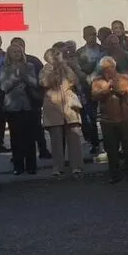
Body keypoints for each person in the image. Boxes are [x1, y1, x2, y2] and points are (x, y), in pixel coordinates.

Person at [90, 56, 128, 183]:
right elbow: (94, 95)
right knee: (111, 149)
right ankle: (115, 174)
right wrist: (106, 88)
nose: (108, 70)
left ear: (115, 66)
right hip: (107, 120)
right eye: (105, 68)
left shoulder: (124, 77)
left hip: (125, 117)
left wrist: (116, 87)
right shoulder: (97, 81)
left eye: (110, 67)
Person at [39, 45, 84, 179]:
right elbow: (45, 83)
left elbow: (74, 80)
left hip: (69, 106)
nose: (56, 58)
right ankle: (58, 166)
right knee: (56, 139)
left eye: (58, 55)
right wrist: (53, 71)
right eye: (53, 56)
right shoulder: (44, 70)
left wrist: (65, 67)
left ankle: (76, 165)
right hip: (53, 106)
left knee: (74, 136)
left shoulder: (66, 67)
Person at [0, 42, 40, 175]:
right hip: (13, 107)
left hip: (28, 105)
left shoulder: (29, 66)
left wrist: (25, 76)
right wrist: (15, 78)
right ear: (9, 54)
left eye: (19, 51)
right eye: (14, 52)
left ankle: (31, 166)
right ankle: (18, 165)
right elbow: (3, 87)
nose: (17, 54)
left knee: (29, 136)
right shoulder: (5, 68)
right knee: (16, 137)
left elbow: (35, 83)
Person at [76, 25, 104, 155]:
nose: (92, 37)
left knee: (105, 115)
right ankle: (94, 143)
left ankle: (107, 142)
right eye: (89, 35)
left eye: (94, 34)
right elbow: (78, 69)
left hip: (102, 85)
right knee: (90, 117)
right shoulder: (80, 52)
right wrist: (86, 78)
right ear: (84, 37)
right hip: (87, 87)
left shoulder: (103, 49)